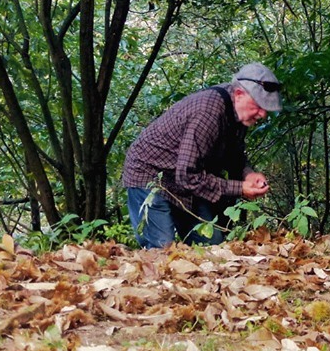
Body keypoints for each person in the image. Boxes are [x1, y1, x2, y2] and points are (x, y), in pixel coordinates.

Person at [121, 62, 282, 248]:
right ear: (239, 94)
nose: (262, 114)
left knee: (211, 245)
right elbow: (188, 175)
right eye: (259, 106)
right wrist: (240, 188)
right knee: (161, 249)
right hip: (149, 175)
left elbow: (233, 154)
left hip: (184, 178)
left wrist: (248, 173)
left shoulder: (238, 113)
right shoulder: (208, 112)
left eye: (266, 109)